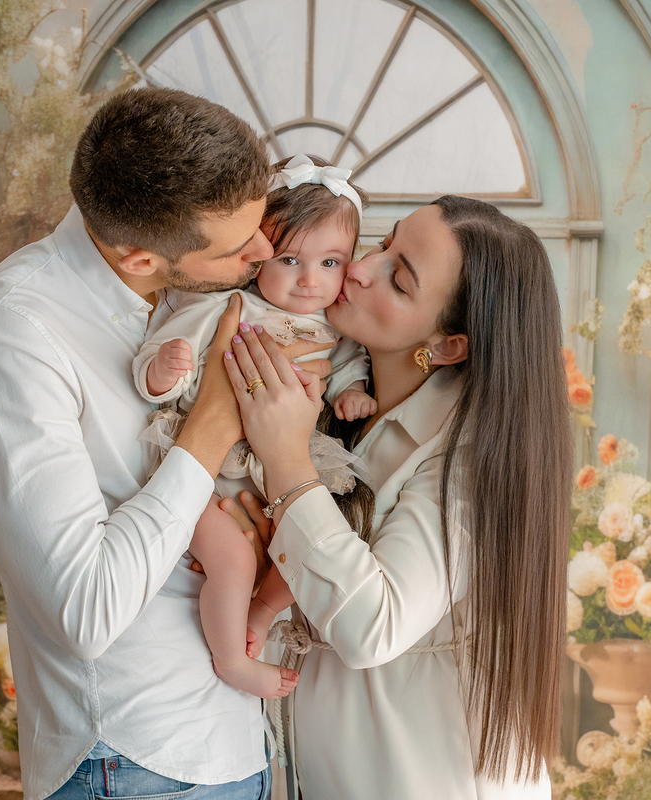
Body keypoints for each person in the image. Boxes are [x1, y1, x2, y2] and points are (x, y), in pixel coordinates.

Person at [0, 87, 326, 800]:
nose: (267, 250)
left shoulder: (190, 303)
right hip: (135, 760)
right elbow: (84, 611)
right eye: (240, 247)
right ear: (140, 257)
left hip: (238, 738)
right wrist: (208, 430)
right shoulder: (13, 334)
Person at [222, 196, 573, 799]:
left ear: (446, 346)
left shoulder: (470, 454)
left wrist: (286, 462)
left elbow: (372, 625)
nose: (359, 268)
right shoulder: (332, 396)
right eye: (383, 244)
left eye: (399, 278)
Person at [132, 154, 374, 699]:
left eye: (331, 263)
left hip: (276, 475)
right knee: (234, 559)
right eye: (290, 260)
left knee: (313, 549)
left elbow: (346, 368)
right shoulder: (229, 307)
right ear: (257, 254)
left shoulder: (337, 327)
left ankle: (259, 616)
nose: (311, 281)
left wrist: (351, 392)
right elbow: (159, 357)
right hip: (206, 477)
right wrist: (162, 371)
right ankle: (233, 662)